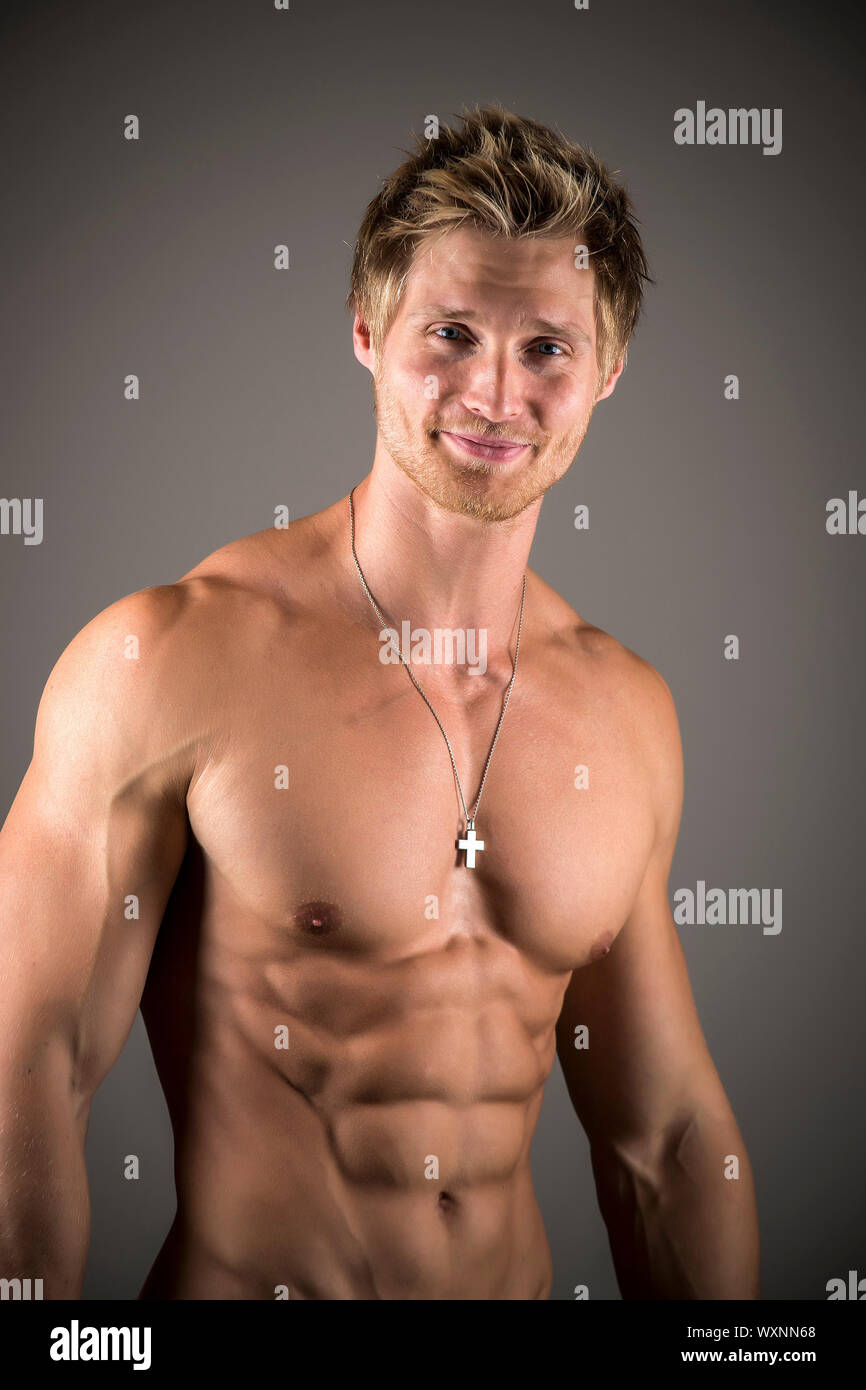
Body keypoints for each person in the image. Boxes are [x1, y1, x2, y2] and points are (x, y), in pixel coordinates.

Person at [0, 104, 759, 1299]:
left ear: (607, 369)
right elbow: (28, 1067)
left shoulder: (624, 712)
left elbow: (660, 1140)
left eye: (547, 348)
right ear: (365, 329)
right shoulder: (171, 655)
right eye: (450, 332)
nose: (494, 393)